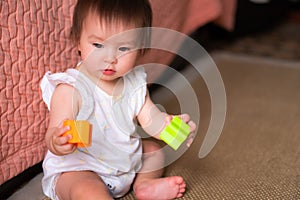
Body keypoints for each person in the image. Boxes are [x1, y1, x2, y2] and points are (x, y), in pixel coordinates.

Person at [40, 0, 196, 199]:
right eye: (98, 45)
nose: (110, 58)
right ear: (78, 40)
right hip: (81, 168)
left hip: (124, 163)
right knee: (86, 189)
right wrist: (57, 141)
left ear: (140, 49)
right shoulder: (71, 89)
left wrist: (176, 128)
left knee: (154, 152)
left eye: (123, 49)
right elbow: (54, 131)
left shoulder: (134, 85)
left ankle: (144, 185)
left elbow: (152, 121)